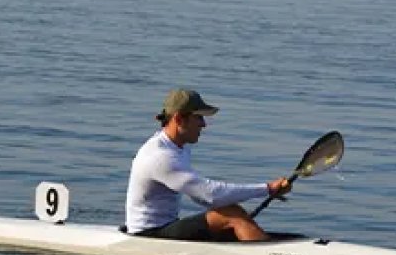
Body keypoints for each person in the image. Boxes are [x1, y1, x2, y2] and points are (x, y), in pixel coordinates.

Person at [124, 89, 292, 242]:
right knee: (233, 214)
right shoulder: (160, 157)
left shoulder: (177, 146)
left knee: (229, 214)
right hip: (148, 235)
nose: (204, 124)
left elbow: (202, 197)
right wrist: (267, 188)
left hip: (167, 226)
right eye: (199, 117)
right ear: (179, 119)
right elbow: (211, 196)